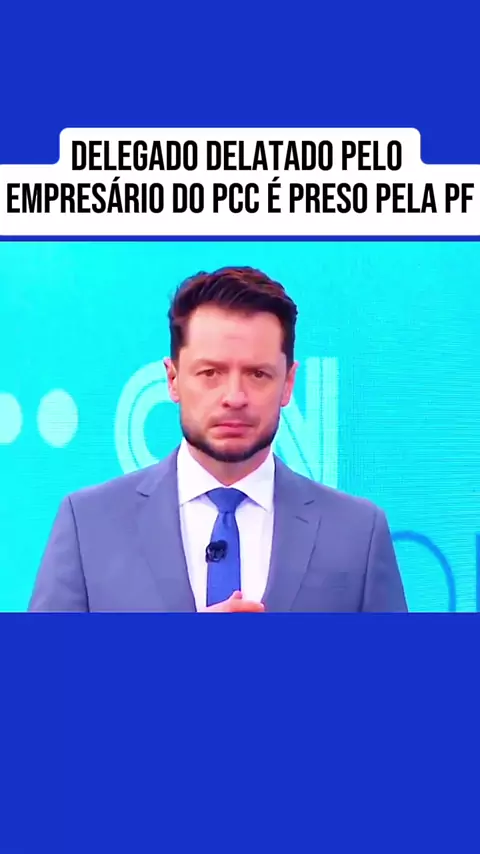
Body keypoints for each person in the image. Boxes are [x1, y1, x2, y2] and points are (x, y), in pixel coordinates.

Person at [28, 266, 408, 613]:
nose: (234, 397)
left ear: (288, 383)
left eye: (257, 374)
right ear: (173, 379)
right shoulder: (89, 525)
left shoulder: (358, 534)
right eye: (210, 373)